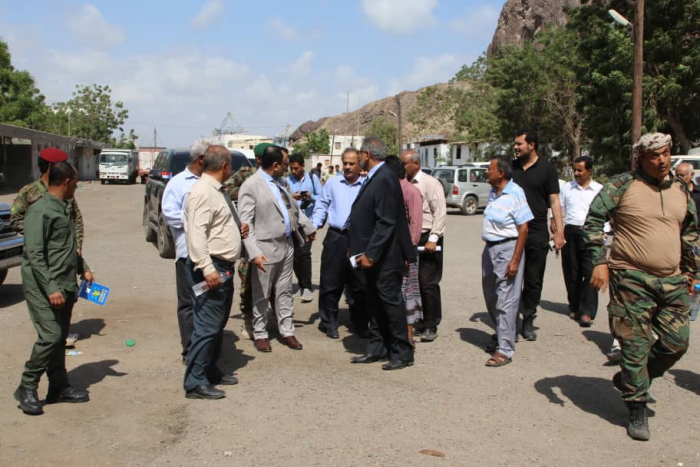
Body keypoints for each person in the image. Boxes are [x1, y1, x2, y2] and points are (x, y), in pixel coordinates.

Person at [585, 132, 700, 441]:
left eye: (665, 154)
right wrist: (599, 261)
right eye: (654, 155)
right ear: (641, 158)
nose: (662, 160)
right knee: (635, 345)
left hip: (672, 280)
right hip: (631, 278)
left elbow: (690, 232)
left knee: (677, 343)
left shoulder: (680, 189)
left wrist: (693, 272)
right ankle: (637, 406)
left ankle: (632, 379)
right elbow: (593, 220)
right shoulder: (622, 185)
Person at [13, 162, 93, 415]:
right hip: (42, 286)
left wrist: (83, 267)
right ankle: (26, 386)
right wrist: (50, 288)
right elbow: (35, 254)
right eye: (76, 182)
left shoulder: (64, 207)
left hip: (64, 282)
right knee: (50, 336)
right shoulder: (40, 211)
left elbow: (67, 246)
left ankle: (58, 387)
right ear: (67, 182)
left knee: (59, 338)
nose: (77, 187)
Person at [239, 145, 316, 353]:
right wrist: (254, 252)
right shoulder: (251, 186)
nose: (287, 168)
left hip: (286, 244)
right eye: (285, 164)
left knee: (284, 291)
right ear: (275, 165)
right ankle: (260, 333)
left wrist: (308, 227)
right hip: (265, 248)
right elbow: (246, 224)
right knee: (262, 294)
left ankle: (287, 330)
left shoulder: (280, 182)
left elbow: (293, 209)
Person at [347, 137, 414, 371]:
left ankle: (402, 352)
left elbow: (386, 222)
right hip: (372, 254)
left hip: (385, 256)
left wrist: (372, 254)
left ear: (367, 154)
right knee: (375, 303)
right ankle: (378, 348)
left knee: (391, 303)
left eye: (359, 154)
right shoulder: (376, 176)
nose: (358, 158)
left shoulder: (384, 177)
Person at [183, 145, 244, 400]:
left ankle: (209, 370)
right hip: (211, 269)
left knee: (216, 323)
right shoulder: (203, 192)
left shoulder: (216, 190)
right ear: (225, 166)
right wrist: (207, 268)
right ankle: (195, 382)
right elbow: (196, 235)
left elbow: (216, 226)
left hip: (222, 268)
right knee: (207, 325)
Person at [511, 129, 565, 341]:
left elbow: (554, 201)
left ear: (531, 145)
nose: (516, 147)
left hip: (536, 232)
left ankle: (528, 319)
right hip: (513, 231)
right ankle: (510, 320)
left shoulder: (547, 168)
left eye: (519, 144)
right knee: (511, 276)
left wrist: (559, 231)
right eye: (515, 144)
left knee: (533, 279)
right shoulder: (511, 167)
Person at [311, 148, 368, 339]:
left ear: (360, 164)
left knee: (359, 282)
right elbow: (321, 205)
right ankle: (329, 322)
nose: (348, 167)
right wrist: (314, 225)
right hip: (336, 237)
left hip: (359, 239)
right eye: (345, 163)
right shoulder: (333, 183)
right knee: (331, 280)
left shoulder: (367, 184)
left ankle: (360, 323)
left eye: (352, 163)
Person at [481, 156, 533, 367]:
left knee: (506, 299)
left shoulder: (515, 193)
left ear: (500, 173)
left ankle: (505, 349)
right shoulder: (493, 193)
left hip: (508, 248)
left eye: (489, 168)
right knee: (491, 296)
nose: (486, 171)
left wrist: (515, 260)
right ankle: (503, 334)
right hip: (489, 249)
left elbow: (524, 228)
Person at [162, 139, 206, 363]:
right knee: (188, 302)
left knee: (206, 300)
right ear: (201, 159)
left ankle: (206, 351)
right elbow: (169, 214)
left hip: (210, 257)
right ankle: (189, 352)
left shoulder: (211, 182)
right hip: (187, 255)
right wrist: (196, 219)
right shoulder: (178, 183)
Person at [223, 142, 272, 340]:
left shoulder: (276, 176)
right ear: (259, 159)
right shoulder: (246, 175)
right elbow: (225, 191)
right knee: (248, 281)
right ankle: (248, 319)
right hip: (250, 236)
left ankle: (268, 319)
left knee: (272, 283)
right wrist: (250, 192)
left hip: (271, 237)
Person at [400, 150, 447, 342]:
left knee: (427, 282)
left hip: (428, 238)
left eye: (405, 163)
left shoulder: (430, 183)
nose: (402, 167)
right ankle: (417, 320)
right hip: (411, 238)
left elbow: (440, 212)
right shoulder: (403, 184)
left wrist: (433, 238)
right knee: (412, 283)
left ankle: (431, 324)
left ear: (416, 164)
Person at [11, 148, 84, 253]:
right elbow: (16, 220)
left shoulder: (65, 189)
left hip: (64, 250)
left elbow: (76, 218)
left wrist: (78, 245)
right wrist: (41, 232)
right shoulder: (28, 191)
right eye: (62, 165)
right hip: (40, 250)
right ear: (50, 167)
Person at [559, 156, 602, 327]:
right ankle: (575, 306)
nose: (576, 173)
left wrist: (604, 234)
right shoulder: (567, 188)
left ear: (589, 171)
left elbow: (606, 214)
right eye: (574, 170)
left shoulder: (599, 189)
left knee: (590, 272)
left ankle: (587, 312)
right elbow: (558, 210)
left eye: (580, 170)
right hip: (570, 232)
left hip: (591, 233)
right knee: (572, 271)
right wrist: (558, 232)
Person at [385, 155, 423, 343]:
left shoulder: (411, 192)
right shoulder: (391, 190)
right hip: (391, 251)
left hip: (405, 251)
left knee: (407, 291)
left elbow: (415, 224)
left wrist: (409, 252)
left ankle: (408, 335)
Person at [286, 153, 322, 302]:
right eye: (291, 168)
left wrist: (310, 196)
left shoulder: (313, 179)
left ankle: (307, 287)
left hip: (309, 221)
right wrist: (292, 197)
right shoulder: (287, 180)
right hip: (294, 222)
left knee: (305, 253)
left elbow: (322, 197)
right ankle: (301, 285)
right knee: (295, 255)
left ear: (303, 166)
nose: (294, 171)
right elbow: (282, 199)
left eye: (296, 168)